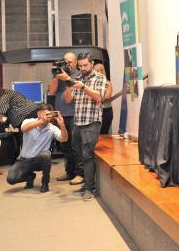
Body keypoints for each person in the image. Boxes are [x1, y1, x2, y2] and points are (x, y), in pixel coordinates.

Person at [59, 53, 107, 200]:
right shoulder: (77, 78)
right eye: (80, 66)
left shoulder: (99, 78)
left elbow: (99, 97)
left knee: (87, 155)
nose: (83, 68)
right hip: (78, 121)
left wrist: (83, 86)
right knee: (79, 154)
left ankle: (89, 188)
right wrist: (68, 81)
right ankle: (87, 182)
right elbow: (68, 99)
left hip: (92, 121)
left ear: (92, 63)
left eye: (85, 65)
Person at [7, 104, 68, 193]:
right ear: (38, 114)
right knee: (11, 179)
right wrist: (41, 121)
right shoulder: (28, 121)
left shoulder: (52, 128)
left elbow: (64, 139)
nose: (48, 117)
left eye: (49, 115)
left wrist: (62, 125)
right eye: (45, 114)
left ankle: (45, 182)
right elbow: (24, 128)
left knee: (46, 155)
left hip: (38, 160)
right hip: (24, 159)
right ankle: (30, 177)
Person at [48, 52, 83, 183]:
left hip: (74, 115)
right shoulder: (59, 74)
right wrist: (56, 77)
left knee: (76, 146)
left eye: (70, 62)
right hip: (61, 115)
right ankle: (69, 172)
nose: (67, 64)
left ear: (76, 63)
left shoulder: (79, 75)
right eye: (65, 62)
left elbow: (69, 99)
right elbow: (51, 92)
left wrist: (67, 78)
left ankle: (80, 174)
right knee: (65, 146)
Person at [93, 63, 114, 135]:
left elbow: (107, 96)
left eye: (100, 70)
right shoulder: (91, 83)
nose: (99, 72)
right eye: (96, 70)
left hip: (106, 110)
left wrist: (95, 95)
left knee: (103, 132)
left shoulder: (108, 83)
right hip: (95, 111)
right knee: (94, 132)